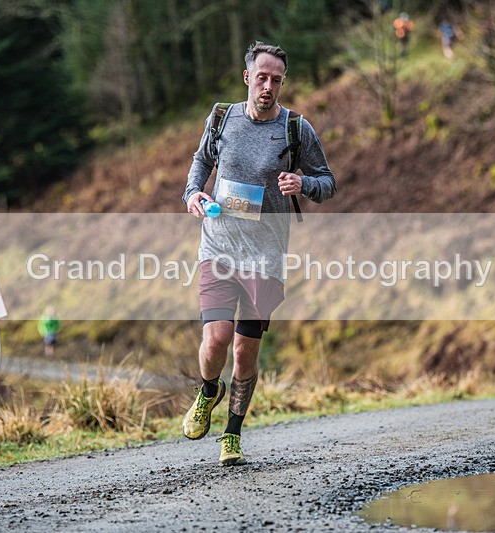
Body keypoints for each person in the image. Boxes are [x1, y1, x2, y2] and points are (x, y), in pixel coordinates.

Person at [182, 41, 336, 466]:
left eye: (277, 80)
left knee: (244, 352)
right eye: (263, 77)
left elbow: (328, 181)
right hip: (218, 247)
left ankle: (231, 435)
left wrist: (303, 185)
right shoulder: (221, 118)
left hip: (265, 258)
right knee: (216, 340)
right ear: (248, 77)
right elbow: (200, 164)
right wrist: (193, 193)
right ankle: (208, 390)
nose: (269, 86)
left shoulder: (296, 129)